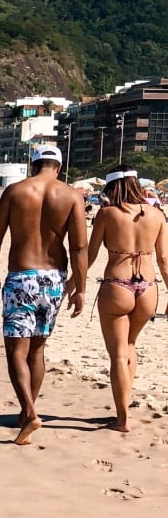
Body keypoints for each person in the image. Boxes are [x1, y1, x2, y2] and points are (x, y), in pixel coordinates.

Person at [0, 144, 87, 445]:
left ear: (34, 164)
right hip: (53, 280)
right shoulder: (71, 196)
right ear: (59, 166)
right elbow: (79, 247)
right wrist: (80, 288)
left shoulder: (16, 191)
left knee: (16, 351)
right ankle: (27, 409)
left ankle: (28, 412)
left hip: (21, 278)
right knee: (37, 351)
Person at [87, 169, 168, 432]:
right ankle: (125, 407)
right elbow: (164, 259)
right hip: (148, 287)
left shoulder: (108, 214)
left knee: (118, 353)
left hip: (117, 285)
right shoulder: (157, 215)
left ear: (112, 189)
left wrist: (74, 284)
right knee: (131, 344)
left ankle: (122, 419)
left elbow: (89, 255)